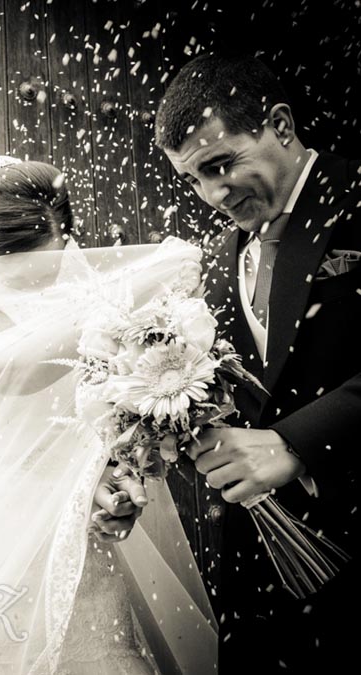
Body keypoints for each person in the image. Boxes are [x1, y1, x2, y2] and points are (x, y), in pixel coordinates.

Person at [0, 156, 217, 674]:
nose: (48, 281)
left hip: (74, 541)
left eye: (55, 260)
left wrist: (110, 483)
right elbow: (8, 367)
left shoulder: (69, 299)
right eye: (30, 270)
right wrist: (129, 291)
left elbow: (86, 424)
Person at [155, 52, 361, 672]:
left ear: (280, 124)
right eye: (193, 180)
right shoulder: (218, 258)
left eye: (221, 165)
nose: (212, 195)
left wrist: (294, 442)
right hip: (258, 578)